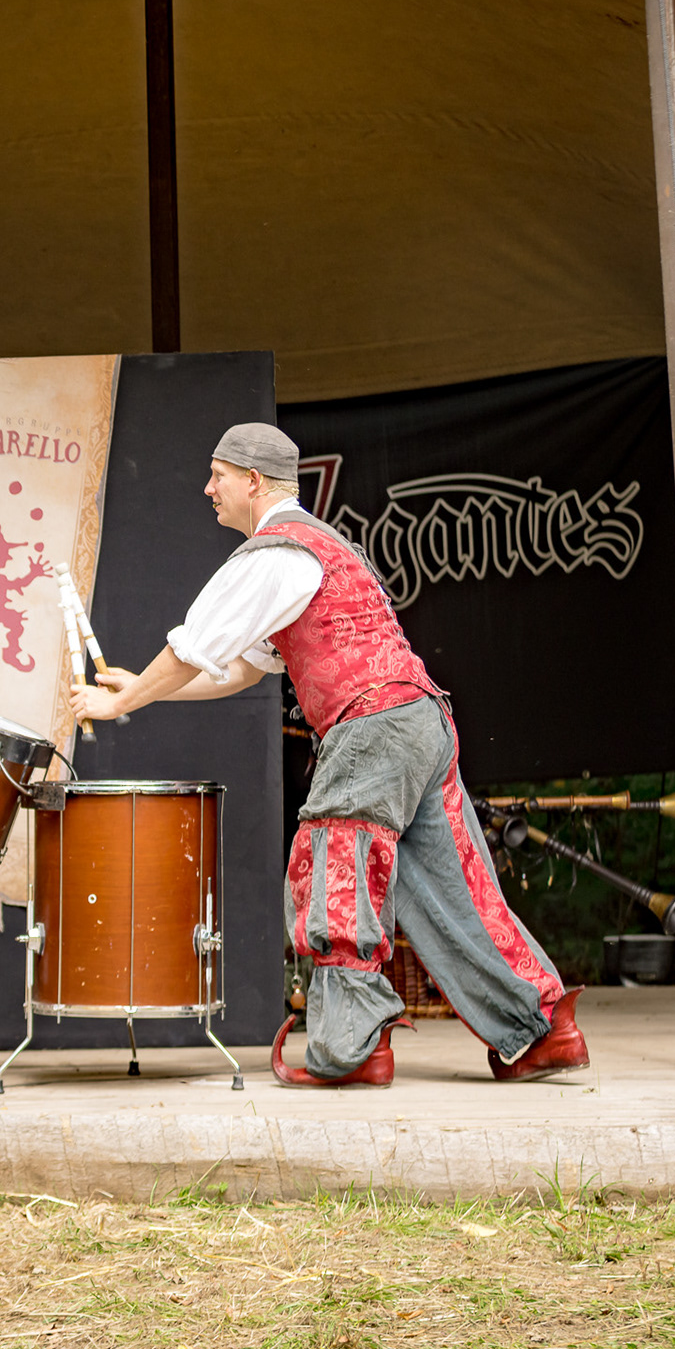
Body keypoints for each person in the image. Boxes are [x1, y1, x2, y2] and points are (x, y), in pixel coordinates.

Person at [69, 423, 589, 1088]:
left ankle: (352, 1050)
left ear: (252, 481)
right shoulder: (322, 546)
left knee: (331, 866)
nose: (208, 489)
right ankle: (541, 1029)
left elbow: (193, 645)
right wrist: (141, 694)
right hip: (421, 721)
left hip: (371, 725)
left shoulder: (273, 555)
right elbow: (239, 671)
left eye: (217, 475)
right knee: (452, 885)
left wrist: (122, 702)